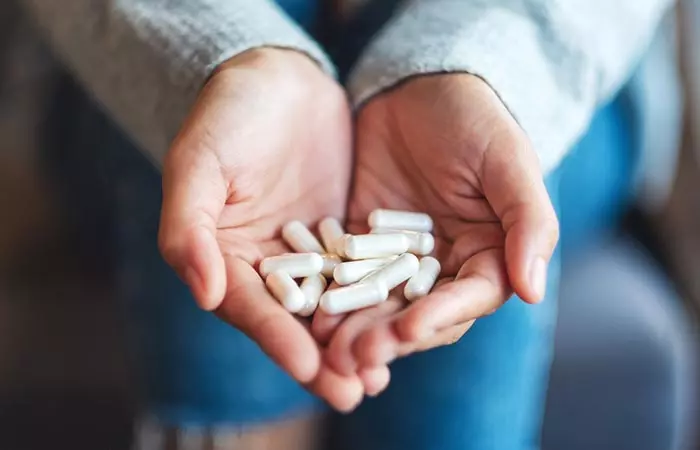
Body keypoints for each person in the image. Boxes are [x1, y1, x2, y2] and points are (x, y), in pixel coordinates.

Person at [10, 0, 676, 448]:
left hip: (552, 64)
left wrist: (480, 71)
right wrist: (228, 56)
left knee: (484, 153)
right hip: (130, 61)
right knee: (218, 131)